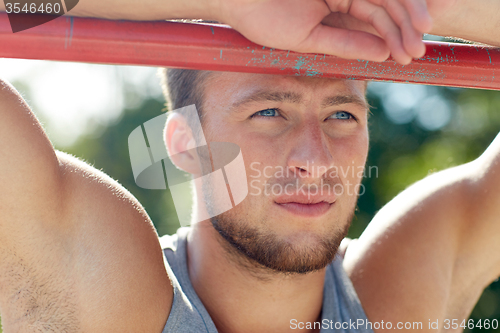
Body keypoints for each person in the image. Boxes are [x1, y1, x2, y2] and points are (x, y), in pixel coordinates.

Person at [0, 0, 499, 332]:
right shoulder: (104, 289)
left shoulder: (398, 297)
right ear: (186, 144)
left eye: (342, 114)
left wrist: (403, 7)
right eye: (268, 112)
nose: (314, 160)